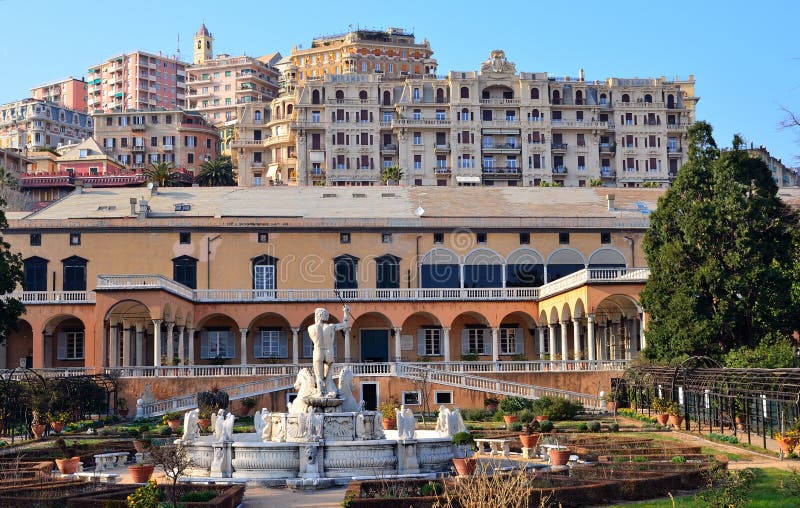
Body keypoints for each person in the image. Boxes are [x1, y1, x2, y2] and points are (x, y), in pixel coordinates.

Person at [308, 306, 349, 397]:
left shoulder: (310, 328)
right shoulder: (331, 326)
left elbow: (313, 339)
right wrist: (346, 312)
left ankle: (320, 393)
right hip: (329, 352)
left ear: (317, 316)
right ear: (324, 316)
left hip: (318, 352)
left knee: (319, 377)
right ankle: (329, 391)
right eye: (326, 315)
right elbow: (345, 324)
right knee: (329, 377)